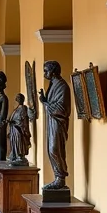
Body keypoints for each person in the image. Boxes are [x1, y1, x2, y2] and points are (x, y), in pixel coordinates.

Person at [39, 61, 71, 189]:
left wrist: (45, 104)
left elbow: (61, 108)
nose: (44, 74)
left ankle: (60, 178)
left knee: (55, 149)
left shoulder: (62, 86)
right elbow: (53, 103)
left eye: (46, 71)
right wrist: (44, 100)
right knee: (50, 149)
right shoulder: (53, 85)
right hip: (52, 121)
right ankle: (57, 177)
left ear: (53, 72)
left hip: (58, 122)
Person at [8, 93, 31, 165]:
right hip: (14, 129)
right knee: (14, 143)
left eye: (20, 98)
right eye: (17, 98)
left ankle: (20, 157)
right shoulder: (17, 108)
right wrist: (10, 121)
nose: (18, 99)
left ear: (23, 99)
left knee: (19, 143)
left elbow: (23, 120)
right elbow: (14, 118)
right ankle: (15, 155)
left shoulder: (23, 108)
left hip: (19, 129)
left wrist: (15, 123)